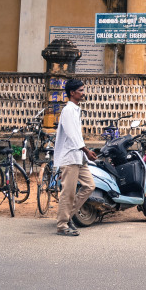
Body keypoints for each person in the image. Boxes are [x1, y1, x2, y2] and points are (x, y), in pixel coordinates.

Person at [53, 78, 97, 236]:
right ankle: (62, 225)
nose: (83, 93)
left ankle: (66, 216)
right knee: (68, 192)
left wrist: (84, 153)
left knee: (89, 186)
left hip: (79, 157)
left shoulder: (76, 110)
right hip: (70, 157)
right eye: (80, 90)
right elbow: (72, 134)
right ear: (72, 93)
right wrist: (87, 150)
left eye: (83, 90)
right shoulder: (68, 110)